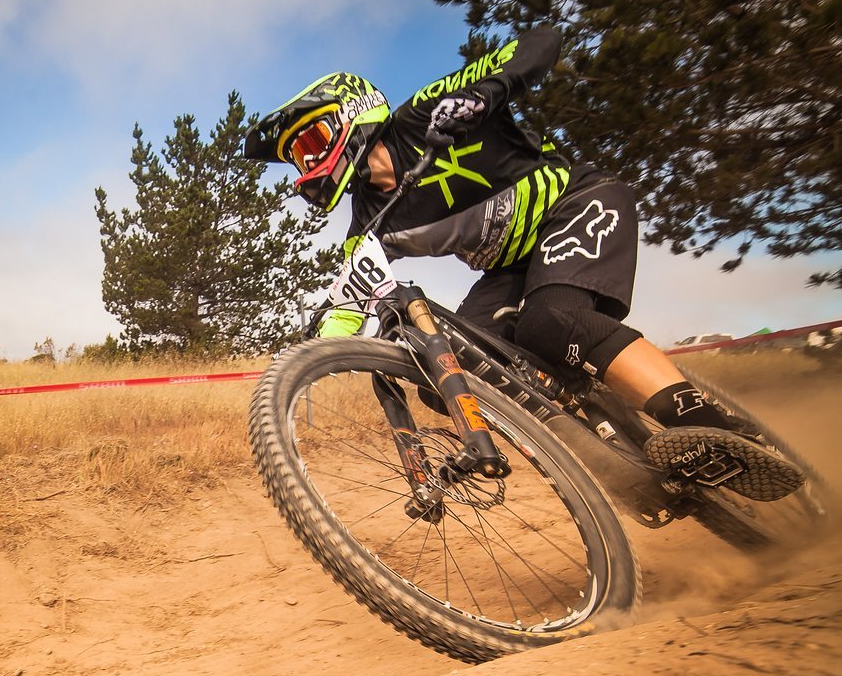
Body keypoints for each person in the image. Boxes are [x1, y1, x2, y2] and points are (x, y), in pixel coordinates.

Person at [243, 25, 803, 502]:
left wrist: (484, 95)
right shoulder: (369, 221)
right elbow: (349, 298)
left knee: (550, 320)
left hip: (578, 203)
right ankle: (595, 437)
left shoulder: (422, 116)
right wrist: (312, 348)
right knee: (445, 381)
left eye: (313, 141)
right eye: (297, 156)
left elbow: (542, 41)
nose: (308, 163)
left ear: (355, 116)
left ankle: (703, 421)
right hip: (511, 269)